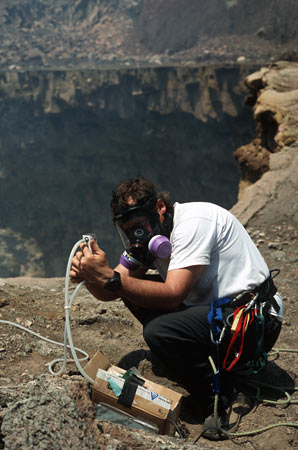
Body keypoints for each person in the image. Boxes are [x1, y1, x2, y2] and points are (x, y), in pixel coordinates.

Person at [70, 177, 283, 439]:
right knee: (129, 288)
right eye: (128, 230)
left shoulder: (193, 222)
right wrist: (91, 276)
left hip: (252, 323)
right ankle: (192, 358)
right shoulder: (151, 237)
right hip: (219, 314)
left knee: (159, 330)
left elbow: (173, 295)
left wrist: (113, 280)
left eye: (139, 226)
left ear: (160, 207)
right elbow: (111, 290)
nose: (136, 235)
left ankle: (218, 396)